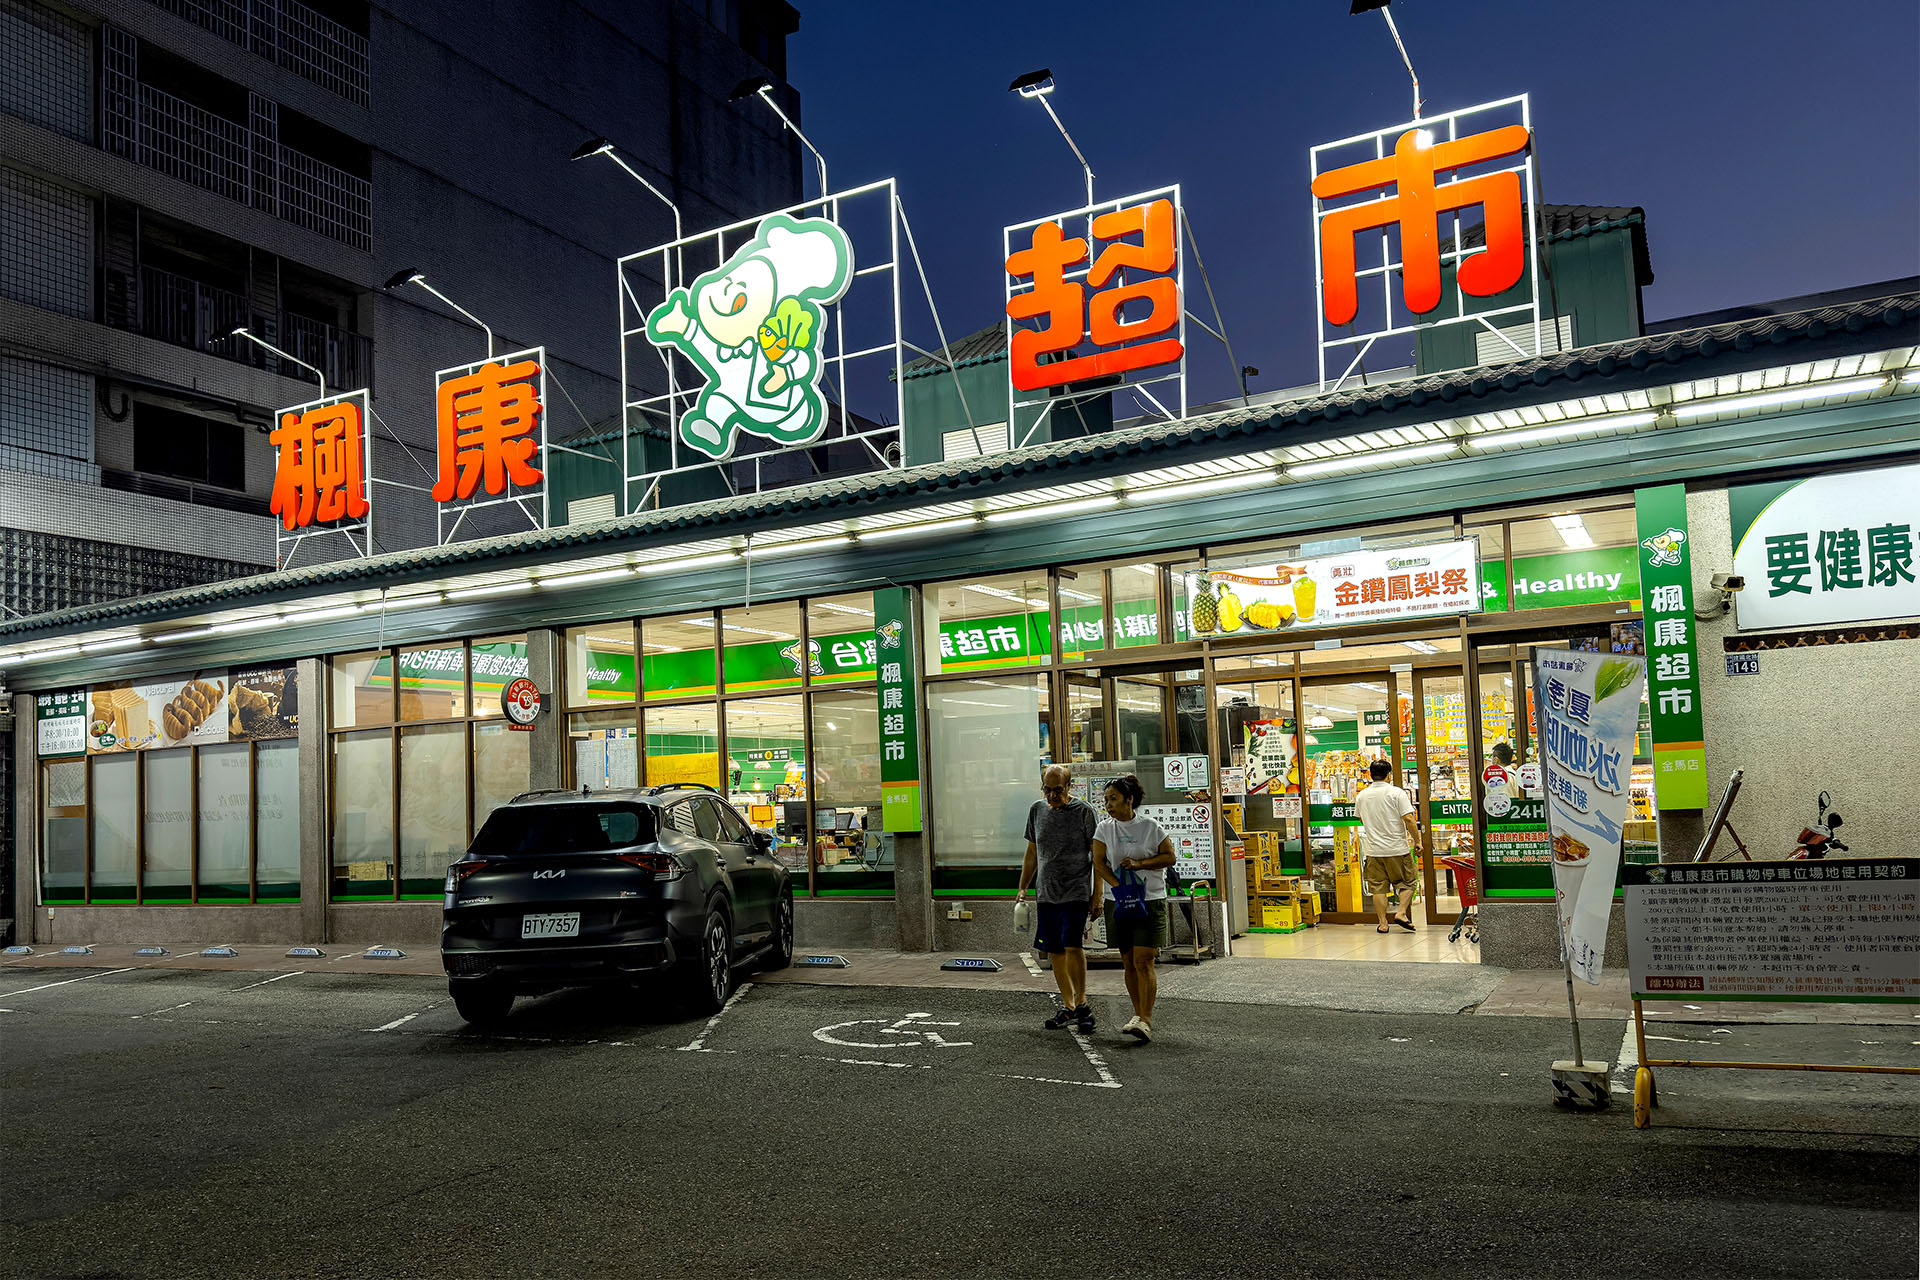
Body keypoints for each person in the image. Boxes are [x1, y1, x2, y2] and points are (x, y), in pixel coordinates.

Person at [1090, 774, 1176, 1042]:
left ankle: (1146, 1019)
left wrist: (1140, 864)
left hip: (1150, 900)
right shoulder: (1104, 829)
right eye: (1106, 800)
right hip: (1118, 901)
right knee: (1128, 960)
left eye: (1113, 799)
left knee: (1144, 960)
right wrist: (1119, 887)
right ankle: (1137, 1014)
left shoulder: (1150, 827)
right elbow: (1098, 862)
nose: (1108, 804)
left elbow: (1169, 857)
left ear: (1130, 800)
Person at [1016, 764, 1099, 1033]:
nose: (1052, 796)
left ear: (1069, 786)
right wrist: (1023, 886)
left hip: (1076, 890)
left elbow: (1098, 856)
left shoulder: (1084, 811)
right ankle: (1068, 1006)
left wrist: (1097, 895)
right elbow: (1032, 852)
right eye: (1048, 790)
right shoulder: (1036, 810)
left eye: (1058, 790)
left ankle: (1082, 1004)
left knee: (1073, 945)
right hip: (1046, 892)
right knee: (1054, 950)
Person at [1355, 757, 1419, 933]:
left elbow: (1361, 819)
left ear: (1371, 775)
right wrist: (1418, 841)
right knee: (1408, 882)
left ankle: (1383, 924)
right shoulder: (1397, 793)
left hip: (1373, 851)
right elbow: (1408, 819)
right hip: (1397, 849)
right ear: (1388, 775)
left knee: (1378, 889)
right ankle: (1401, 913)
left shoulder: (1362, 795)